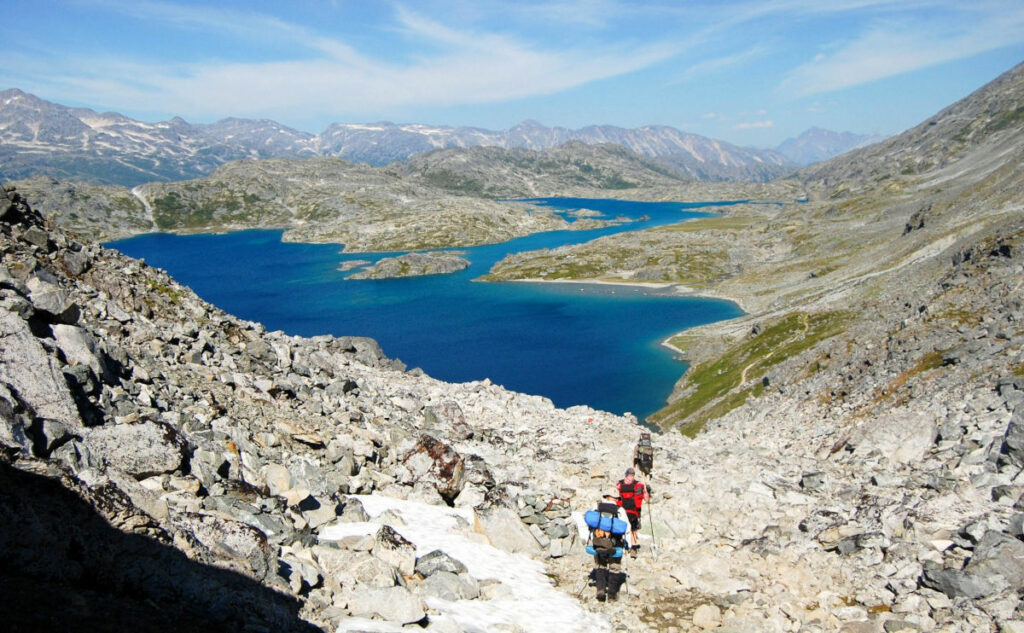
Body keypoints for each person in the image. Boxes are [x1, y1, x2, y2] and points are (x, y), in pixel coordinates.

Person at [590, 491, 628, 602]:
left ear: (606, 496)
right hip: (615, 543)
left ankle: (600, 590)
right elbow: (627, 528)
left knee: (600, 566)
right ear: (613, 498)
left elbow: (590, 523)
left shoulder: (596, 507)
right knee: (614, 568)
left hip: (598, 542)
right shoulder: (620, 510)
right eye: (616, 497)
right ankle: (612, 595)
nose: (617, 499)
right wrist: (629, 544)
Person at [616, 467, 650, 557]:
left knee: (633, 529)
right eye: (629, 475)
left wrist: (646, 492)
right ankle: (626, 546)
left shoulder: (635, 485)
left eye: (632, 475)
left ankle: (633, 548)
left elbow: (646, 499)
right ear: (626, 476)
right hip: (624, 510)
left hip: (630, 510)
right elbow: (646, 499)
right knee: (630, 528)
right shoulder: (620, 484)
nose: (631, 477)